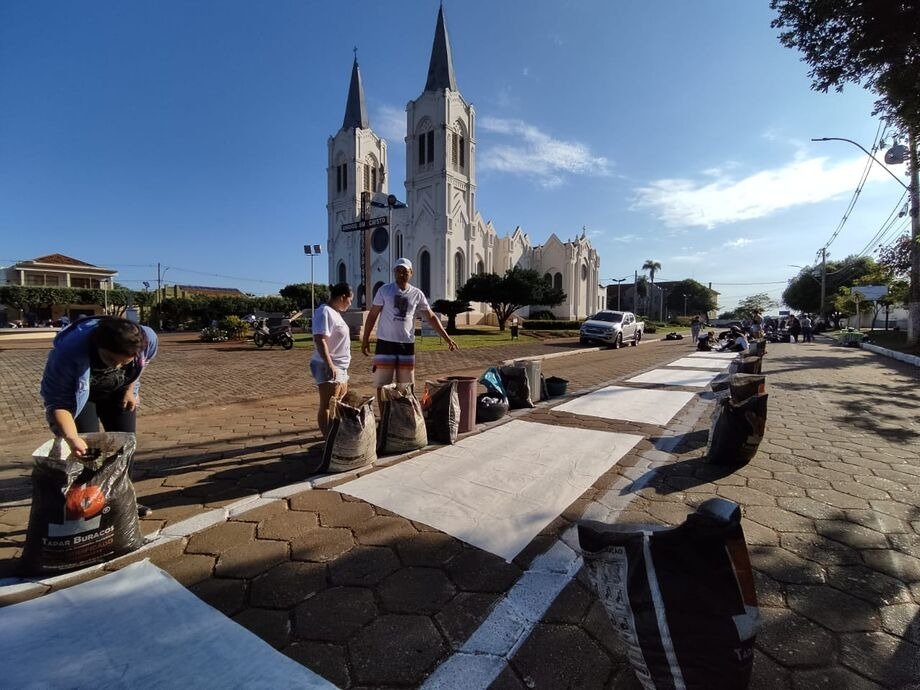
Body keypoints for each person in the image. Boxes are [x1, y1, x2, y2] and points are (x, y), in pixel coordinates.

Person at [40, 316, 158, 516]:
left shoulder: (147, 338)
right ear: (98, 346)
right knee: (89, 451)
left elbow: (142, 363)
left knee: (124, 447)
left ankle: (122, 502)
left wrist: (131, 390)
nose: (116, 367)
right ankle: (88, 505)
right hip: (82, 398)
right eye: (111, 360)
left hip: (118, 391)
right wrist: (72, 437)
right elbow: (58, 403)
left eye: (124, 363)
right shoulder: (68, 354)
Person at [361, 258, 459, 400]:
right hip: (385, 344)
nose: (401, 274)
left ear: (411, 273)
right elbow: (372, 316)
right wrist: (365, 339)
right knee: (383, 386)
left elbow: (431, 317)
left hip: (406, 345)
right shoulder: (384, 291)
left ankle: (404, 416)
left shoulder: (417, 294)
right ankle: (385, 418)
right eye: (398, 271)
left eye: (405, 271)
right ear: (394, 272)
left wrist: (447, 338)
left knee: (406, 386)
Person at [310, 282, 354, 437]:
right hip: (328, 365)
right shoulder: (325, 312)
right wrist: (329, 364)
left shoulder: (335, 313)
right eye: (350, 300)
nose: (350, 304)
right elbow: (319, 339)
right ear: (343, 297)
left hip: (340, 365)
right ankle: (329, 440)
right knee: (328, 405)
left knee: (339, 402)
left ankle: (335, 435)